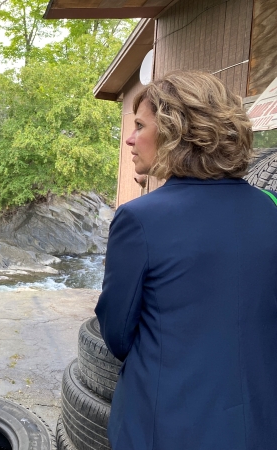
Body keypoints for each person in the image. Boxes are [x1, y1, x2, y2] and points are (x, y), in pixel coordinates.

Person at [95, 70, 277, 450]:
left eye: (140, 125)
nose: (130, 139)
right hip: (258, 423)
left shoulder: (139, 219)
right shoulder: (269, 210)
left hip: (166, 424)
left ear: (175, 132)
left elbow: (117, 333)